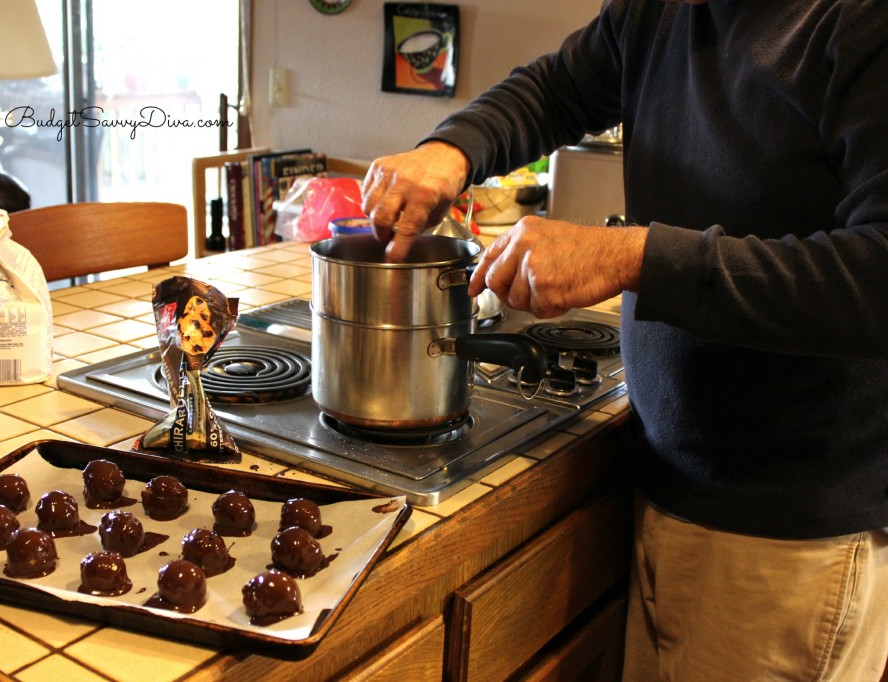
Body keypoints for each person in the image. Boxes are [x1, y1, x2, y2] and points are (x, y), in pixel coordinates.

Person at [362, 0, 888, 679]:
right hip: (669, 474)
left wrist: (633, 257)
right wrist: (452, 147)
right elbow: (559, 87)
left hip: (789, 528)